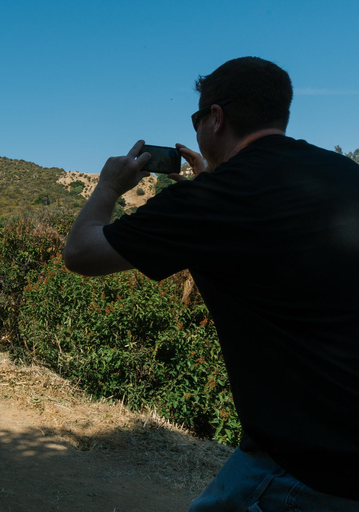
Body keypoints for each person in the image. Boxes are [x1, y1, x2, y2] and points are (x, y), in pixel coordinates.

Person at [64, 57, 359, 510]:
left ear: (216, 118)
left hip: (308, 463)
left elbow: (81, 253)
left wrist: (108, 187)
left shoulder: (212, 201)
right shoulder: (343, 174)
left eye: (197, 118)